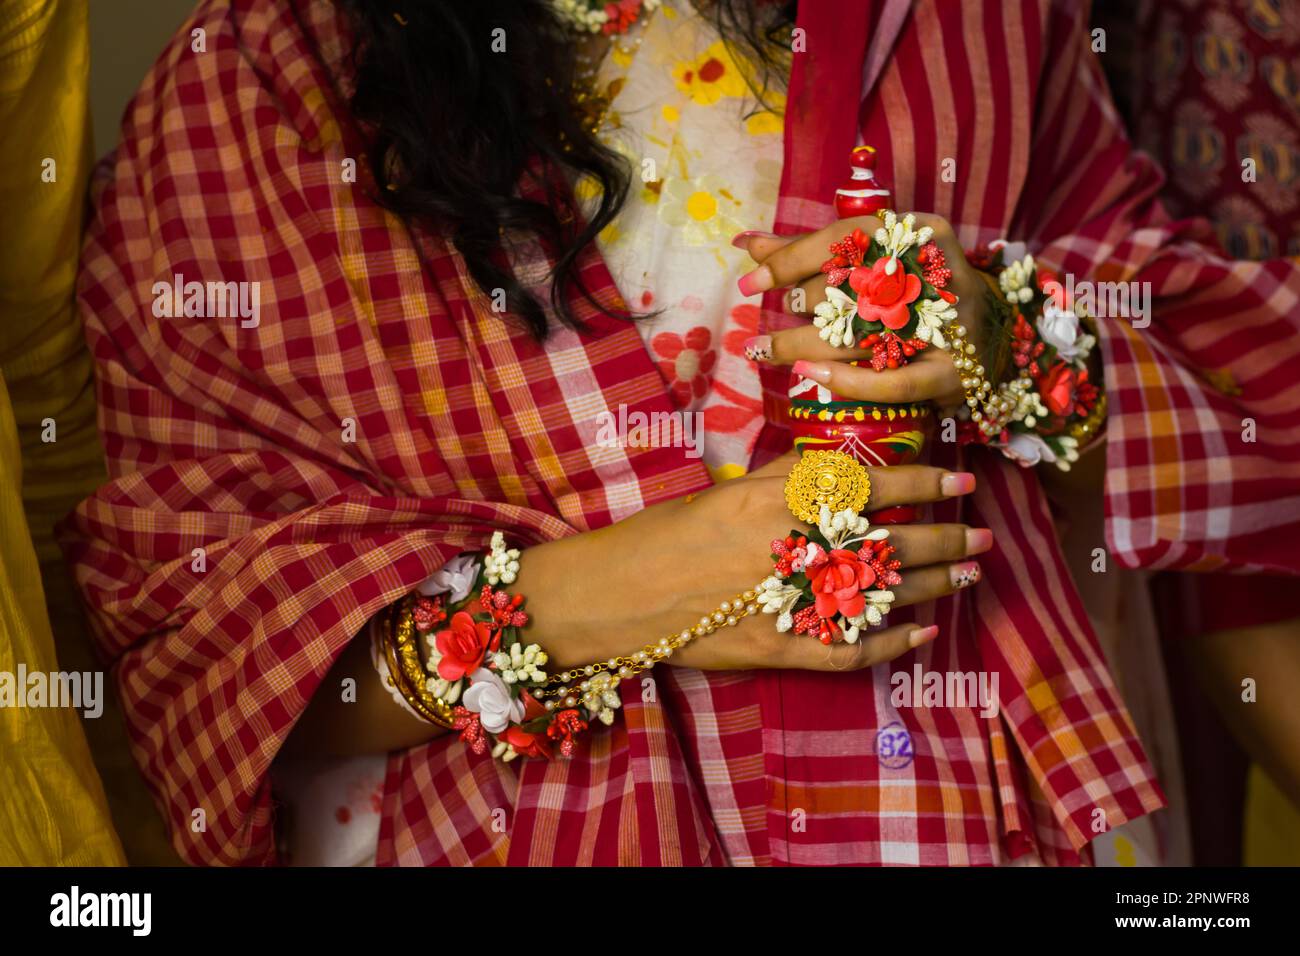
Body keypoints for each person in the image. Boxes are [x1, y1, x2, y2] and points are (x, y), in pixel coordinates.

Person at [62, 0, 1300, 867]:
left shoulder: (977, 18)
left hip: (970, 802)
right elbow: (197, 632)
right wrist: (620, 592)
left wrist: (1009, 347)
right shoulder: (267, 75)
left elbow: (1204, 376)